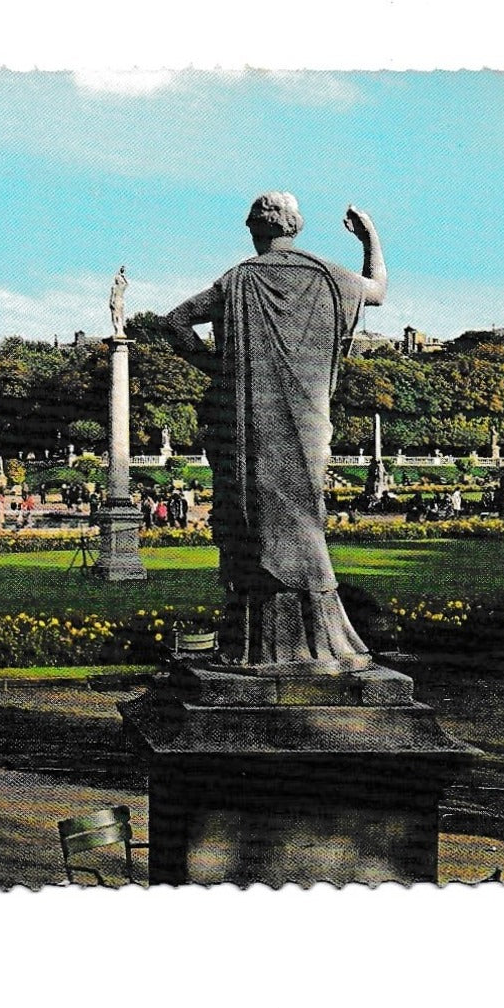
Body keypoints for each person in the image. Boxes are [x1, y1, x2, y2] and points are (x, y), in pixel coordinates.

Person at [164, 192, 386, 667]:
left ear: (253, 229)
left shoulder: (239, 279)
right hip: (308, 422)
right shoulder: (329, 277)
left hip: (250, 421)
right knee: (304, 515)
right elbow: (377, 290)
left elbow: (176, 321)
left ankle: (258, 643)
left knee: (255, 519)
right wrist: (371, 240)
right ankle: (319, 639)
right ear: (296, 227)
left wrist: (217, 366)